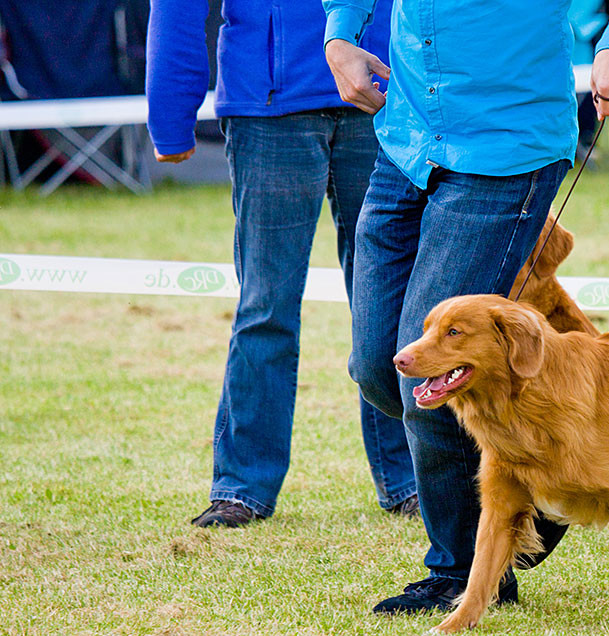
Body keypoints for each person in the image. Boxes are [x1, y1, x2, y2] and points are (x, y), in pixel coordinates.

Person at [322, 0, 609, 613]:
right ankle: (541, 486)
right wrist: (340, 33)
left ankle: (467, 572)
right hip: (406, 134)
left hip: (505, 147)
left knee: (430, 379)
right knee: (380, 367)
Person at [146, 0, 419, 527]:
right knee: (265, 306)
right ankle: (242, 488)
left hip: (383, 94)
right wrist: (170, 116)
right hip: (267, 107)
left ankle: (413, 477)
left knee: (393, 300)